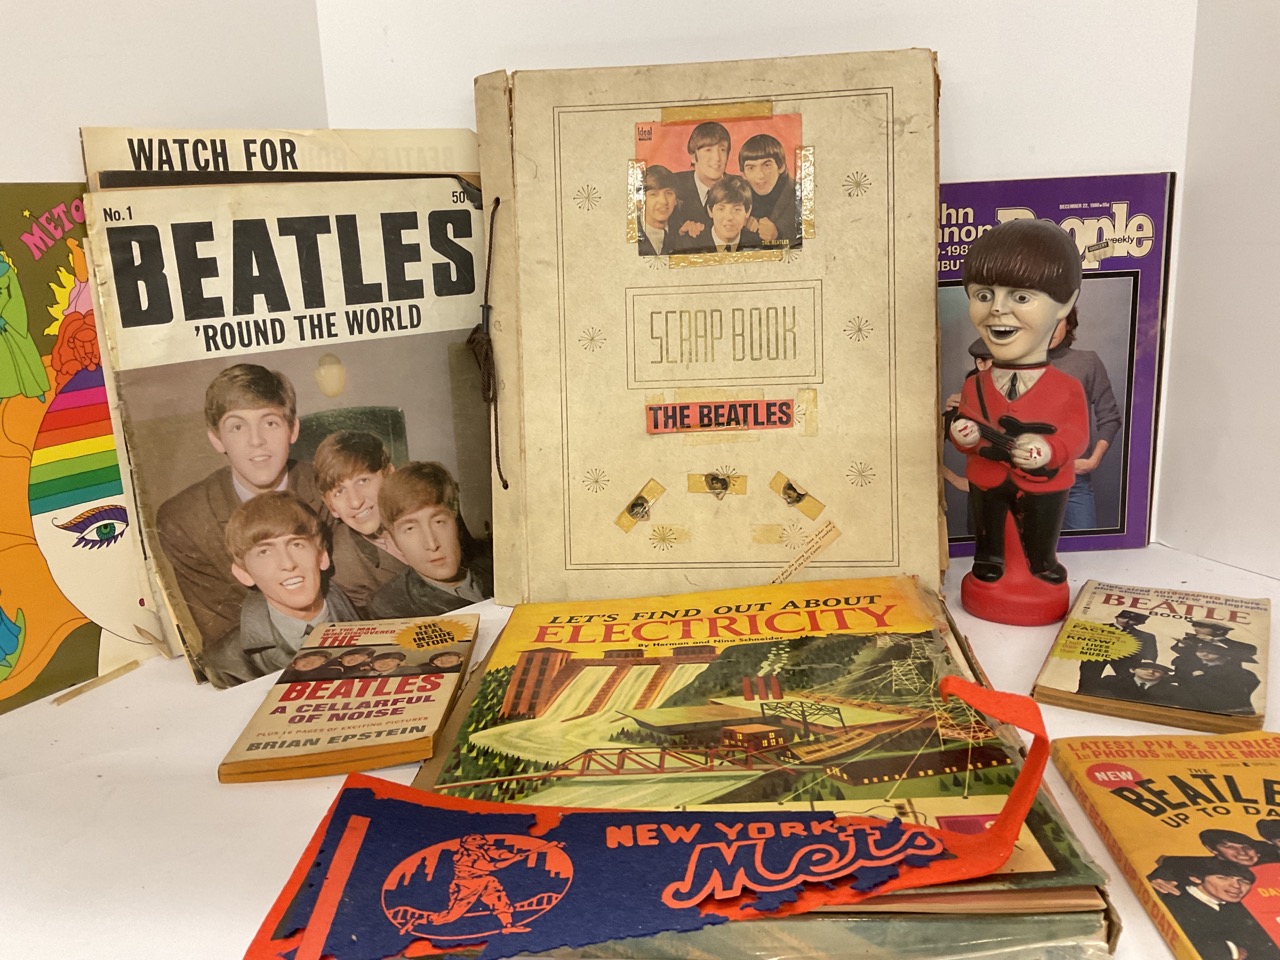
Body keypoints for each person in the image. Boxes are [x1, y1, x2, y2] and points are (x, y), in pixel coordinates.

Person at [948, 219, 1089, 590]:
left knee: (1042, 528)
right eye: (983, 295)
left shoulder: (1067, 387)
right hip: (988, 475)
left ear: (1065, 303)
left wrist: (1050, 449)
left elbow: (1077, 434)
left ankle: (1043, 561)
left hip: (1045, 482)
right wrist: (963, 436)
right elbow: (966, 424)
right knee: (987, 525)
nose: (997, 309)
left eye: (1021, 297)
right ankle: (988, 559)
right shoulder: (975, 385)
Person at [156, 364, 324, 650]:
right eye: (237, 426)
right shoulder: (184, 520)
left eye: (270, 423)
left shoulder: (328, 489)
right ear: (216, 439)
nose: (256, 441)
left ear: (293, 429)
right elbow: (227, 640)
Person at [201, 491, 358, 687]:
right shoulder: (227, 663)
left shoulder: (372, 615)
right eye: (264, 552)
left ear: (322, 557)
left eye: (297, 544)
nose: (287, 564)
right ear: (244, 573)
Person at [369, 461, 493, 618]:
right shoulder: (391, 607)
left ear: (457, 524)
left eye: (438, 522)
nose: (432, 544)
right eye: (410, 529)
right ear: (394, 542)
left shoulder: (494, 569)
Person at [313, 430, 409, 614]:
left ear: (389, 475)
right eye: (339, 491)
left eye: (363, 481)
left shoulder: (428, 505)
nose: (355, 502)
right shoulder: (344, 568)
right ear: (331, 506)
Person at [1047, 309, 1123, 530]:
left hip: (1074, 481)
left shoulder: (1087, 362)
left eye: (1056, 321)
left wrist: (1093, 460)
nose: (1049, 329)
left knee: (1085, 546)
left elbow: (1110, 417)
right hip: (1023, 480)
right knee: (1026, 550)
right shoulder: (1016, 364)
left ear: (1069, 324)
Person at [1158, 857, 1280, 960]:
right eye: (1223, 878)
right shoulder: (1169, 897)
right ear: (1196, 878)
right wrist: (1230, 950)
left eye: (1243, 881)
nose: (1236, 886)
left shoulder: (1237, 908)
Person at [737, 133, 798, 247]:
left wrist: (778, 237)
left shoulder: (802, 195)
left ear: (781, 166)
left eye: (766, 165)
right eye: (751, 168)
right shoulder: (737, 196)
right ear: (743, 174)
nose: (760, 175)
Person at [672, 121, 730, 240]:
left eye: (722, 150)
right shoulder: (674, 184)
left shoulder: (741, 186)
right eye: (708, 150)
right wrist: (679, 233)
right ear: (693, 157)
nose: (717, 158)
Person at [1176, 635, 1261, 715]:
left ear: (1225, 655)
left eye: (1212, 652)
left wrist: (1201, 677)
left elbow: (1232, 689)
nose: (1204, 654)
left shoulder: (1235, 671)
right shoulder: (1199, 667)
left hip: (1227, 708)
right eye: (1200, 651)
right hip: (1201, 703)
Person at [1076, 609, 1158, 691]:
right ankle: (1084, 692)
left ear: (1138, 623)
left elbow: (1150, 653)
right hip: (1098, 654)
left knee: (1128, 680)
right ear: (1116, 617)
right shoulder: (1099, 628)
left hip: (1127, 660)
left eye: (1132, 620)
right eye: (1123, 618)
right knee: (1089, 674)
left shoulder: (1146, 636)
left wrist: (1147, 665)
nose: (1126, 621)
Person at [683, 175, 760, 254]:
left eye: (736, 209)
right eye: (721, 209)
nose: (729, 217)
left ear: (747, 211)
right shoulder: (690, 245)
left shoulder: (758, 244)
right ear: (710, 211)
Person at [636, 164, 686, 257]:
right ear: (639, 201)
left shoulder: (683, 234)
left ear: (676, 200)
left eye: (669, 193)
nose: (664, 201)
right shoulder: (633, 235)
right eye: (653, 194)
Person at [1084, 660, 1182, 706]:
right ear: (1132, 670)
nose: (1150, 672)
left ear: (1164, 675)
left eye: (1157, 671)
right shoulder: (1111, 682)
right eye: (1144, 669)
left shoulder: (1174, 690)